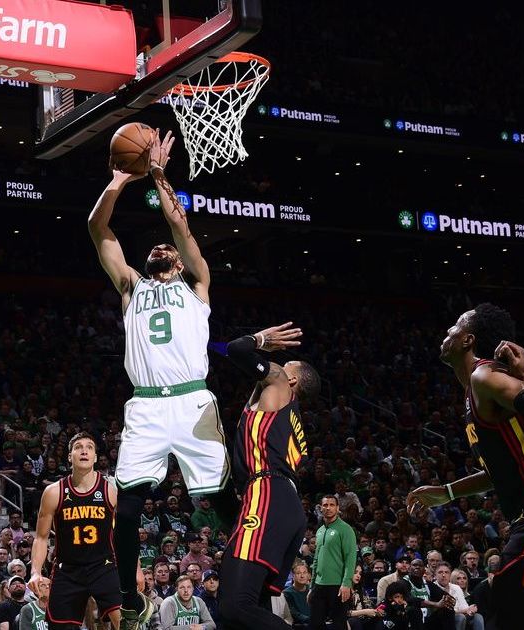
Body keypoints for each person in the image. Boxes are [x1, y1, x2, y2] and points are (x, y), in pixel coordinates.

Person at [89, 129, 232, 630]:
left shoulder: (197, 283)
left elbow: (179, 226)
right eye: (157, 247)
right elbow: (97, 228)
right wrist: (118, 180)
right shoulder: (131, 284)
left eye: (167, 248)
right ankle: (130, 598)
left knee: (221, 501)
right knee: (126, 511)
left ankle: (248, 576)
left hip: (193, 402)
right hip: (147, 405)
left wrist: (158, 175)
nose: (161, 247)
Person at [408, 304, 524, 628]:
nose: (448, 331)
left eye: (455, 327)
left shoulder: (484, 375)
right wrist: (447, 492)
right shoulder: (472, 392)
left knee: (513, 594)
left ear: (468, 340)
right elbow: (496, 473)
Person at [213, 324, 319, 630]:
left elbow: (236, 349)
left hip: (267, 493)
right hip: (284, 502)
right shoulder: (290, 416)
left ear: (293, 379)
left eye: (288, 364)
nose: (281, 363)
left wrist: (261, 340)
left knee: (234, 604)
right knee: (247, 613)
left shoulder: (281, 384)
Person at [29, 433, 122, 630]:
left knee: (125, 622)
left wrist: (135, 569)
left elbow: (125, 535)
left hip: (104, 566)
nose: (84, 451)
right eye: (78, 447)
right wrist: (35, 572)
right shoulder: (54, 492)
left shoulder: (111, 489)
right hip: (68, 569)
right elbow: (41, 537)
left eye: (89, 447)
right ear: (70, 456)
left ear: (95, 457)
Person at [308, 496, 356, 630]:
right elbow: (316, 559)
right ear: (320, 508)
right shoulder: (320, 530)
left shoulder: (345, 529)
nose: (328, 508)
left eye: (331, 505)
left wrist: (346, 583)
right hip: (319, 585)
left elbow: (350, 558)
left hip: (338, 586)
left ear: (337, 508)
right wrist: (312, 586)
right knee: (315, 624)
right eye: (325, 505)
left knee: (339, 625)